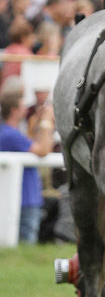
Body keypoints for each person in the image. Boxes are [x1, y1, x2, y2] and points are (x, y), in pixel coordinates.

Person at [0, 87, 55, 244]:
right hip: (25, 200)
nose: (26, 109)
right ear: (14, 110)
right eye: (22, 106)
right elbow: (43, 150)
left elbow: (35, 143)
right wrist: (46, 121)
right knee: (25, 245)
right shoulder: (11, 134)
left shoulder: (9, 132)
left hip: (24, 198)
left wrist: (37, 123)